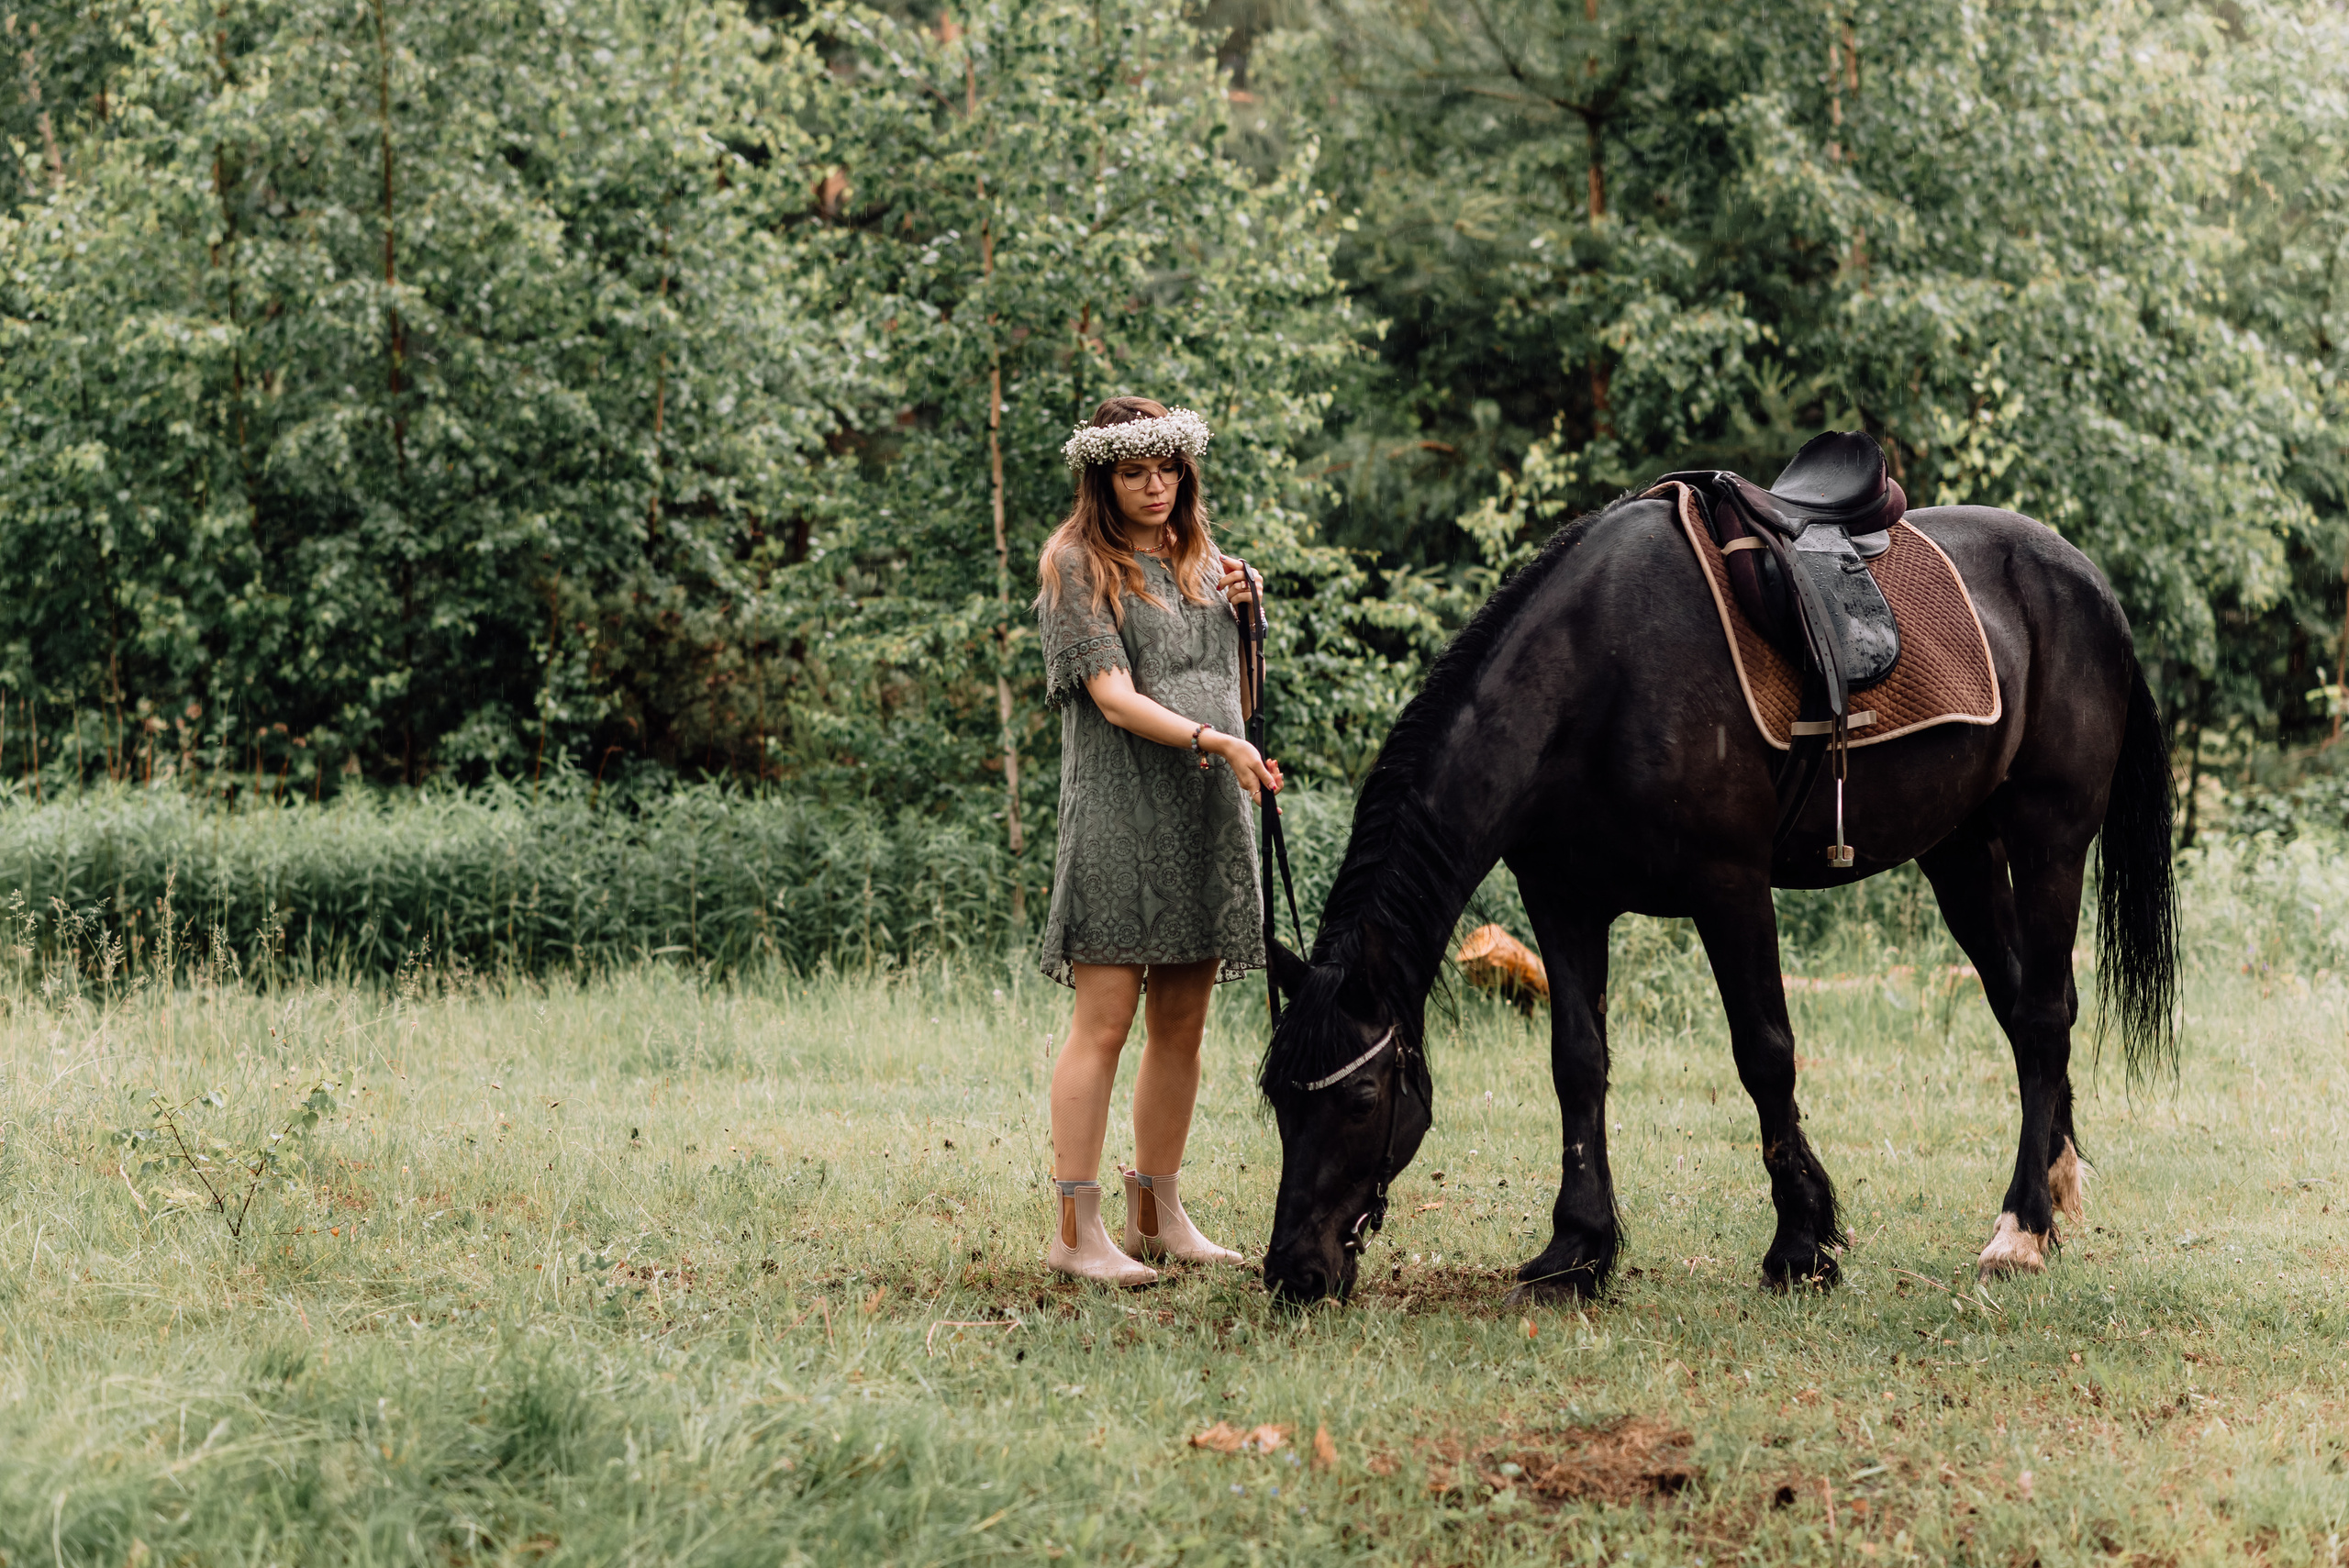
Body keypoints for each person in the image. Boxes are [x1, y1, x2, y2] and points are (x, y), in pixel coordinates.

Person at [1032, 396, 1284, 1285]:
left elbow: (1237, 696)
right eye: (1134, 471)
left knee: (1182, 1023)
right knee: (1103, 1022)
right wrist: (1216, 742)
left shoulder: (1206, 563)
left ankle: (1158, 1212)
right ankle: (1076, 1229)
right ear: (1101, 478)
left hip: (1205, 811)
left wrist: (1251, 621)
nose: (1155, 485)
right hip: (1118, 813)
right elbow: (1112, 697)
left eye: (1168, 467)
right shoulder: (1075, 564)